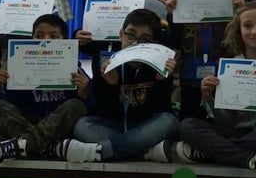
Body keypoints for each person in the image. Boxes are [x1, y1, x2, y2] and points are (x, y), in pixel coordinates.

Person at [173, 1, 256, 170]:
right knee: (187, 125)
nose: (255, 32)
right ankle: (252, 159)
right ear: (238, 30)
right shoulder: (229, 68)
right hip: (238, 134)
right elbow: (223, 120)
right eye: (247, 26)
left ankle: (211, 152)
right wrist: (208, 97)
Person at [63, 9, 179, 162]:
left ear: (154, 43)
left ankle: (102, 152)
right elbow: (103, 111)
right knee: (82, 125)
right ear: (121, 35)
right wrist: (111, 85)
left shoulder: (159, 66)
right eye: (130, 35)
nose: (135, 43)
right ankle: (144, 152)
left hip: (146, 127)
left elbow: (159, 111)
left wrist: (161, 81)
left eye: (145, 39)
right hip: (116, 128)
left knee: (169, 121)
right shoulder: (109, 65)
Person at [0, 13, 91, 163]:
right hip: (26, 122)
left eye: (53, 36)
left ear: (66, 42)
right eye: (39, 36)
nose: (45, 41)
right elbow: (7, 104)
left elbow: (90, 107)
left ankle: (22, 145)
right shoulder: (17, 68)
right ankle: (50, 148)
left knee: (76, 106)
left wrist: (84, 93)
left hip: (57, 128)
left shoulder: (75, 72)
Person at [166, 0, 245, 120]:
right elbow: (175, 41)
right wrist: (172, 15)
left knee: (223, 124)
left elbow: (245, 39)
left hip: (223, 77)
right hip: (190, 76)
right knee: (189, 123)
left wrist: (241, 10)